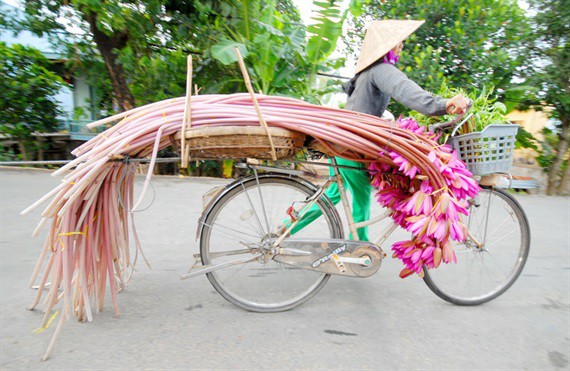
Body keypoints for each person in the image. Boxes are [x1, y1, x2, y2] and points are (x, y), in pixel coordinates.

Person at [291, 19, 470, 241]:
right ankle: (360, 246)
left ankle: (285, 229)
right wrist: (443, 105)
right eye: (399, 42)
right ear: (388, 45)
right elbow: (408, 92)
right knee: (361, 195)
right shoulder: (382, 70)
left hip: (340, 140)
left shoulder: (367, 72)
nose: (402, 45)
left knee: (332, 196)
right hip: (351, 145)